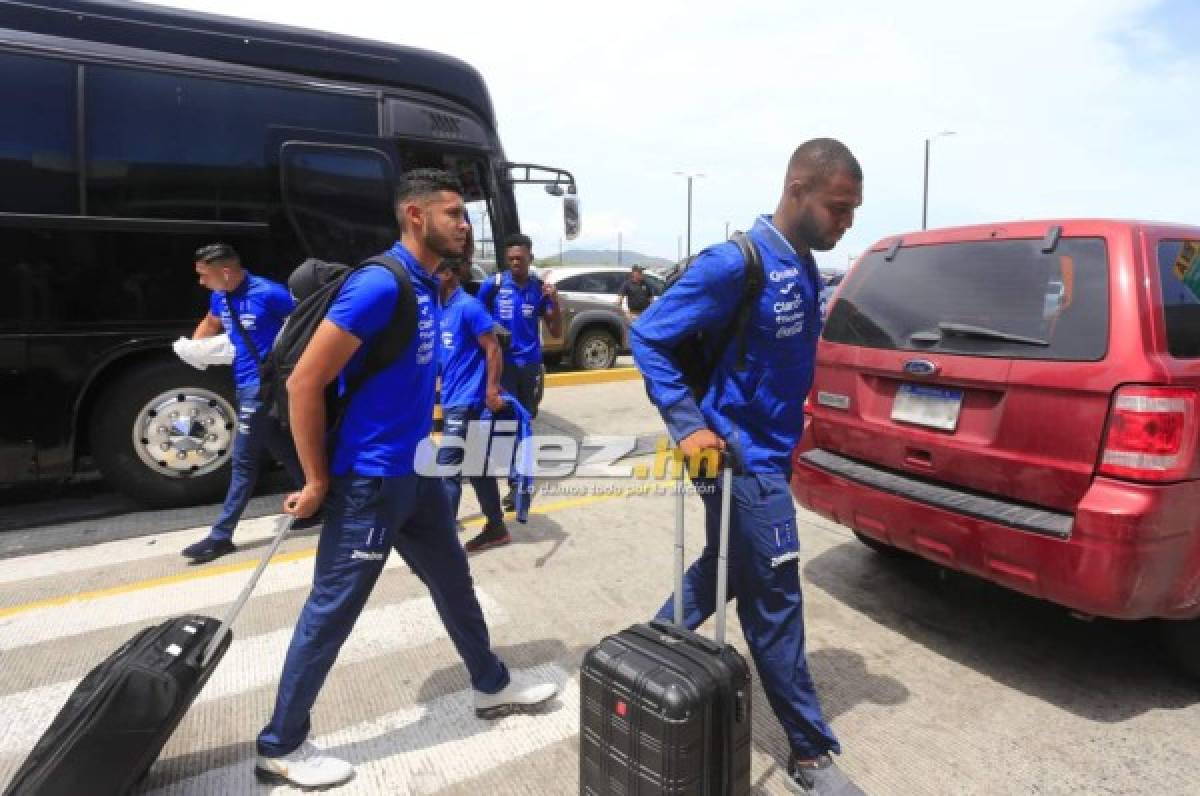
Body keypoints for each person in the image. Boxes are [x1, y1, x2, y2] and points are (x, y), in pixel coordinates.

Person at [254, 170, 559, 790]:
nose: (466, 225)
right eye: (455, 214)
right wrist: (316, 480)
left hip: (416, 476)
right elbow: (304, 381)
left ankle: (491, 685)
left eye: (466, 215)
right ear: (416, 216)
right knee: (333, 610)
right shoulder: (380, 284)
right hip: (369, 482)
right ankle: (281, 744)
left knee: (454, 581)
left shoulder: (428, 287)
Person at [630, 139, 866, 796]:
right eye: (839, 208)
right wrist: (688, 424)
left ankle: (642, 661)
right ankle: (810, 754)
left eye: (853, 211)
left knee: (726, 567)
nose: (847, 222)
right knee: (776, 598)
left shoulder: (804, 265)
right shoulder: (737, 263)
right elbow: (648, 336)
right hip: (737, 458)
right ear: (798, 190)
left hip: (770, 451)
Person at [183, 243, 303, 564]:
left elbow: (307, 327)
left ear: (225, 272)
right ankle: (317, 501)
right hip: (243, 381)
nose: (201, 282)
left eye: (205, 275)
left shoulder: (271, 294)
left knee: (243, 460)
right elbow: (211, 322)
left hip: (264, 386)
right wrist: (194, 349)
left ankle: (221, 535)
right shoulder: (220, 296)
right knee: (279, 445)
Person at [435, 234, 512, 554]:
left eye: (434, 271)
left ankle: (442, 542)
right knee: (477, 467)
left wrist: (491, 388)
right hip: (454, 397)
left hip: (467, 402)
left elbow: (493, 348)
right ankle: (496, 527)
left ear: (448, 274)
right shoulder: (442, 308)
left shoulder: (469, 307)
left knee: (446, 469)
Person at [477, 233, 562, 510]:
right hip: (502, 368)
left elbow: (556, 330)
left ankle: (519, 482)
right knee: (506, 425)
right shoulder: (493, 286)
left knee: (525, 424)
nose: (515, 263)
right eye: (511, 258)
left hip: (530, 367)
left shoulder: (539, 289)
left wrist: (555, 301)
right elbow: (475, 321)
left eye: (520, 258)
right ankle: (516, 481)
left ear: (530, 258)